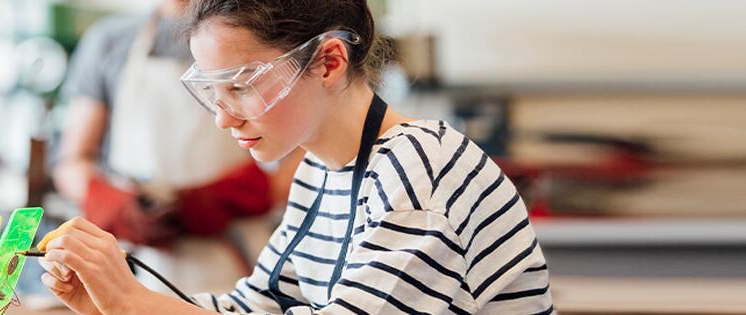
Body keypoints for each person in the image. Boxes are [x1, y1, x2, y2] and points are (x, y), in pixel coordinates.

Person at [36, 0, 554, 314]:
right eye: (212, 91)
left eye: (240, 86)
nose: (223, 118)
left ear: (328, 62)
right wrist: (115, 303)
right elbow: (256, 307)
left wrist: (134, 302)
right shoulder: (320, 171)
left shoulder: (421, 168)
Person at [48, 0, 301, 294]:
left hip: (234, 253)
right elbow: (72, 160)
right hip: (135, 258)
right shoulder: (109, 42)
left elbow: (306, 150)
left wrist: (240, 196)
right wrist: (111, 204)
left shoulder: (260, 34)